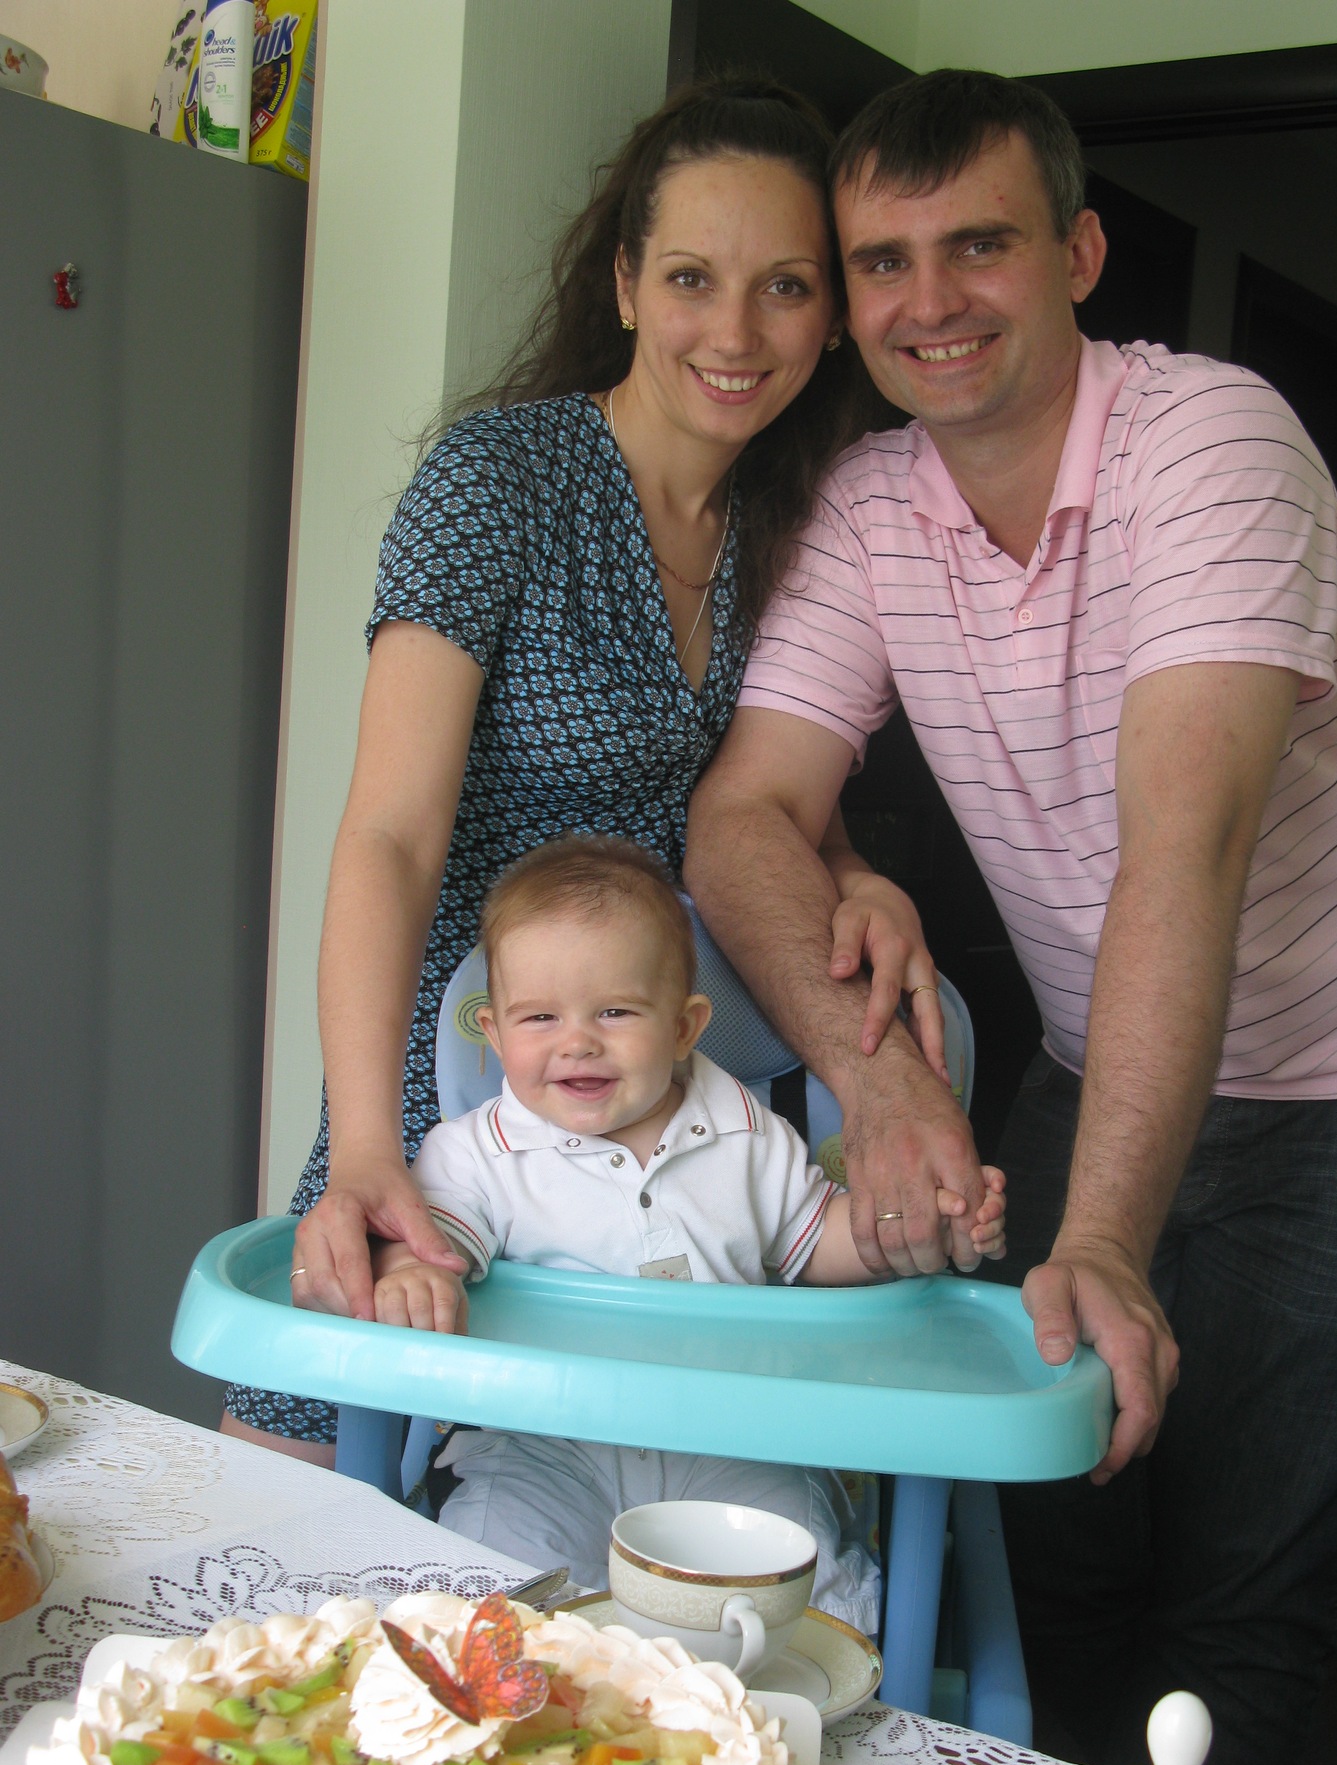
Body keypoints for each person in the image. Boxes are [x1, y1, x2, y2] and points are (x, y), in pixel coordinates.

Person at [683, 68, 1337, 1765]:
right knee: (1039, 1515)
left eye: (979, 246)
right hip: (1113, 1038)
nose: (929, 300)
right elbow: (744, 813)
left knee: (1246, 1585)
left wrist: (1110, 1244)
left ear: (1076, 254)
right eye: (883, 261)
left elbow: (1183, 850)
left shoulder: (1209, 441)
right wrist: (881, 1081)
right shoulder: (870, 503)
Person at [220, 76, 950, 1466]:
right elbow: (389, 836)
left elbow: (767, 794)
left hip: (667, 1098)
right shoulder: (498, 482)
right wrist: (367, 1142)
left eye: (786, 286)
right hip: (470, 1079)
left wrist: (855, 874)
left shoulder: (800, 523)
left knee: (625, 1493)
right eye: (691, 277)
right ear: (624, 283)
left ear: (832, 315)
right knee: (327, 1492)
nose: (736, 332)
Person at [370, 834, 1006, 1623]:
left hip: (733, 1441)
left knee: (802, 1604)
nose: (577, 1040)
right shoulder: (476, 1155)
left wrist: (913, 1227)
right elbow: (429, 1240)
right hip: (543, 1446)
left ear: (683, 1027)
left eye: (614, 1011)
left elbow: (817, 1242)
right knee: (489, 1591)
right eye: (539, 1017)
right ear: (494, 1037)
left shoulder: (747, 1134)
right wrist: (413, 1271)